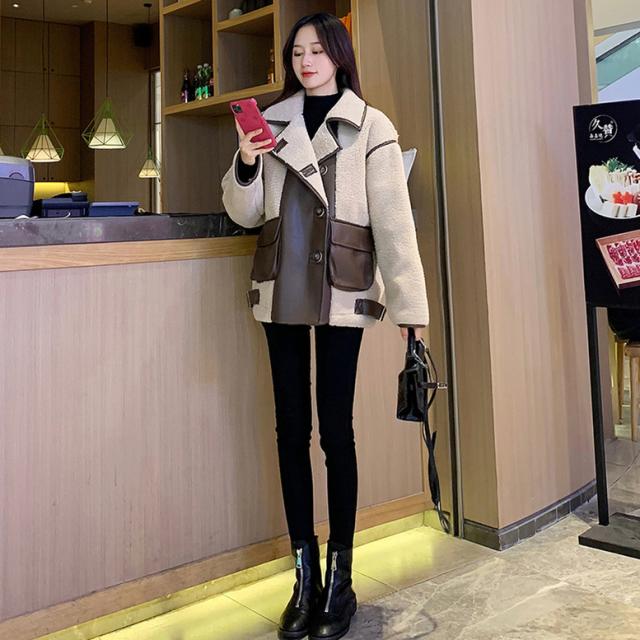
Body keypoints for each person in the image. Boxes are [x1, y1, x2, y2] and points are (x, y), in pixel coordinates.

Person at [221, 12, 429, 640]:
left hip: (342, 287)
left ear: (339, 55)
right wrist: (248, 161)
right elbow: (245, 213)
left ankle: (341, 579)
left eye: (316, 50)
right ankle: (303, 576)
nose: (305, 61)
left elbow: (394, 223)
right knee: (291, 431)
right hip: (281, 286)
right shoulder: (272, 122)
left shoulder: (371, 126)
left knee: (337, 432)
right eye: (297, 52)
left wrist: (411, 312)